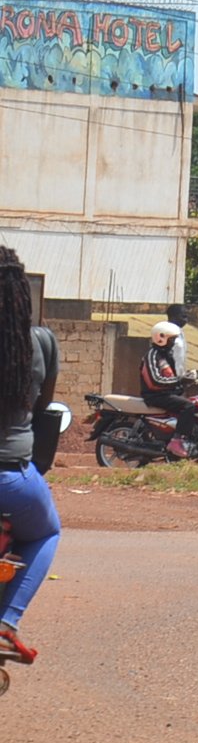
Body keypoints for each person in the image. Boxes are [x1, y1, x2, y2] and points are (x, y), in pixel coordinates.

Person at [0, 247, 62, 662]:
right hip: (13, 479)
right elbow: (43, 408)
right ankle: (7, 620)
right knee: (45, 532)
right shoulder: (40, 343)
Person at [138, 318, 198, 456]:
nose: (173, 343)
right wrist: (179, 381)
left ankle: (195, 443)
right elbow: (155, 380)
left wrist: (186, 379)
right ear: (161, 338)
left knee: (195, 404)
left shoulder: (165, 355)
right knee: (188, 406)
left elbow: (172, 377)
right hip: (155, 395)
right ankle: (176, 441)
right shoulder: (152, 356)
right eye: (171, 340)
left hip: (166, 393)